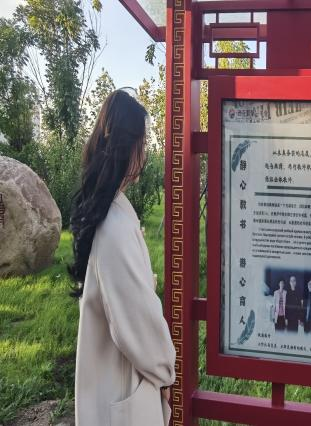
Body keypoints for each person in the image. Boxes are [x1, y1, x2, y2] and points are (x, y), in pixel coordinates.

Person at [69, 90, 175, 426]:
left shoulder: (109, 210)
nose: (144, 153)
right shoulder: (114, 226)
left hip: (112, 381)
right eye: (142, 143)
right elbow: (138, 322)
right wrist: (165, 372)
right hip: (122, 390)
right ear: (129, 147)